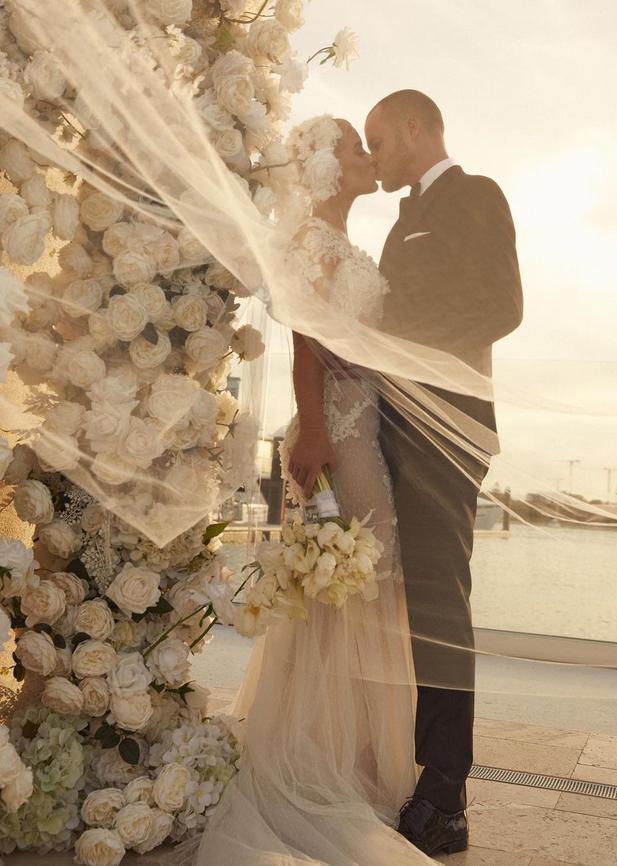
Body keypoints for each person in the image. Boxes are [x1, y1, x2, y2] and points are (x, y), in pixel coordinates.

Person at [177, 114, 444, 866]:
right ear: (328, 168)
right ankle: (323, 764)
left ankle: (353, 761)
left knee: (359, 587)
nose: (369, 158)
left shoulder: (347, 246)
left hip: (366, 430)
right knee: (347, 587)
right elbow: (306, 345)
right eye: (358, 149)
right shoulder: (311, 246)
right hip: (340, 435)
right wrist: (320, 438)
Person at [365, 89, 524, 856]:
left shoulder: (475, 195)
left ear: (417, 129)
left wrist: (402, 352)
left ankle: (445, 790)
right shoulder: (398, 222)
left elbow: (502, 307)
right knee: (388, 601)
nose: (375, 157)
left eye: (380, 142)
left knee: (438, 602)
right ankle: (389, 755)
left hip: (445, 432)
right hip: (387, 426)